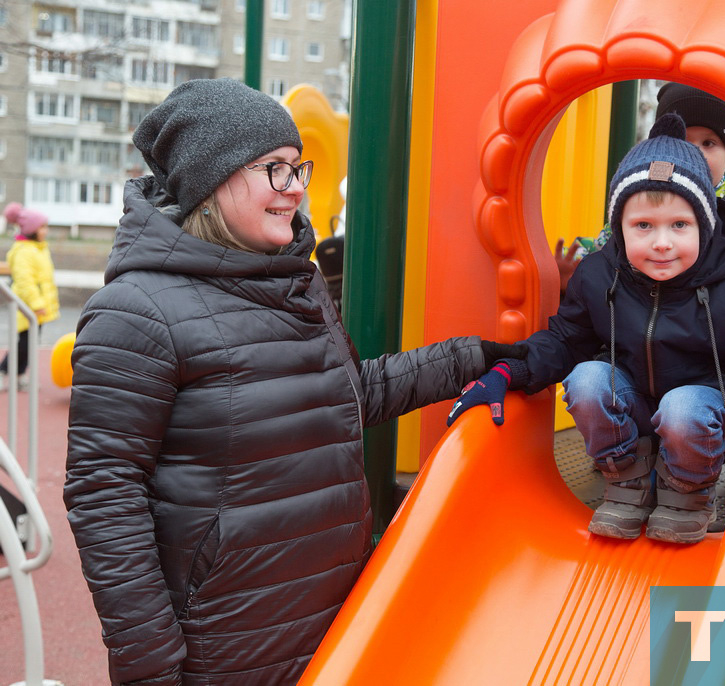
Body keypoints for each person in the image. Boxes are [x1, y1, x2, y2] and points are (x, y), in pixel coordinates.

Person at [63, 78, 523, 686]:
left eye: (297, 166)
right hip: (227, 643)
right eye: (275, 169)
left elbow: (343, 397)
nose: (298, 187)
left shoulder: (290, 283)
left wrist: (473, 357)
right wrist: (150, 667)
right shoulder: (136, 311)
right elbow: (104, 495)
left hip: (331, 615)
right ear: (212, 181)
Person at [449, 114, 725, 545]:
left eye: (679, 226)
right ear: (619, 227)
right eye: (643, 226)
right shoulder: (599, 275)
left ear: (705, 224)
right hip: (638, 411)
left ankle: (687, 489)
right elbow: (564, 341)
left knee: (684, 407)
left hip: (708, 415)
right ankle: (627, 478)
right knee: (587, 378)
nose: (661, 242)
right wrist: (505, 371)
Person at [556, 83, 725, 318]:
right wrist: (570, 272)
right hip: (642, 335)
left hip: (717, 343)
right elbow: (605, 251)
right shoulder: (644, 200)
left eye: (708, 143)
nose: (694, 153)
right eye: (683, 140)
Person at [0, 202, 59, 391]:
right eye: (42, 227)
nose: (46, 230)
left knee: (30, 342)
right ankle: (3, 371)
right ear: (32, 229)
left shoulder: (38, 248)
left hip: (37, 306)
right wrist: (36, 303)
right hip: (27, 306)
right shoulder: (24, 251)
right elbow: (25, 281)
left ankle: (18, 374)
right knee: (24, 344)